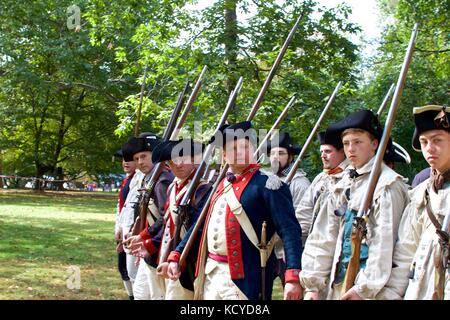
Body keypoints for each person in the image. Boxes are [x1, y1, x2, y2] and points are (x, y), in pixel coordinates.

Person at [166, 121, 303, 300]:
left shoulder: (269, 184)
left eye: (245, 147)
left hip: (246, 279)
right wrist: (177, 253)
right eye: (233, 148)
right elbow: (201, 225)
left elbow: (290, 231)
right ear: (224, 155)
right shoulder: (221, 185)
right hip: (211, 273)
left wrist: (292, 275)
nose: (239, 152)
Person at [300, 109, 409, 300]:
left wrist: (363, 289)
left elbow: (385, 244)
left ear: (374, 144)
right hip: (338, 284)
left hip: (373, 291)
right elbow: (324, 235)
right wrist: (313, 285)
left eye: (358, 142)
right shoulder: (342, 184)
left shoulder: (388, 185)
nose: (351, 149)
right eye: (346, 143)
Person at [379, 105, 450, 299]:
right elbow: (405, 252)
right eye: (424, 141)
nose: (429, 148)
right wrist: (392, 293)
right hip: (421, 288)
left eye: (437, 140)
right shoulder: (421, 193)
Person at [145, 139, 212, 299]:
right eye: (174, 160)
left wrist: (177, 256)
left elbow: (197, 229)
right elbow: (167, 222)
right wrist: (146, 239)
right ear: (168, 163)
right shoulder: (172, 187)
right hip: (168, 258)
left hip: (188, 261)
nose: (179, 164)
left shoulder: (202, 189)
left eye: (184, 159)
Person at [120, 132, 174, 300]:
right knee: (140, 294)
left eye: (143, 156)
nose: (140, 162)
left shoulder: (162, 180)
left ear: (155, 154)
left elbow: (166, 219)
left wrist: (144, 239)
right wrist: (137, 233)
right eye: (136, 159)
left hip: (159, 250)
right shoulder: (148, 179)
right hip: (149, 251)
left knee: (156, 295)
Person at [266, 132, 310, 287]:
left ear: (291, 157)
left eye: (281, 153)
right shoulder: (265, 180)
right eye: (272, 153)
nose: (276, 157)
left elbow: (303, 222)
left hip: (290, 251)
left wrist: (287, 244)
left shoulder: (300, 183)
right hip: (267, 252)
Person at [296, 130, 348, 246]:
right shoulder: (320, 178)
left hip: (336, 243)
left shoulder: (349, 177)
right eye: (321, 151)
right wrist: (294, 240)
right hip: (313, 244)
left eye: (328, 151)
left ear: (342, 152)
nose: (323, 156)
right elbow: (304, 212)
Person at [114, 148, 137, 300]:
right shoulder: (127, 179)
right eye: (123, 159)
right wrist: (118, 227)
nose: (125, 162)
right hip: (123, 230)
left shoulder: (137, 180)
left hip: (132, 233)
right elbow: (122, 207)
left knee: (132, 272)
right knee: (123, 268)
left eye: (129, 159)